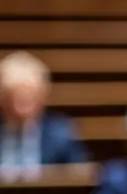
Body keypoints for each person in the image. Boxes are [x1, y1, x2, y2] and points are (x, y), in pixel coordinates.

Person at [0, 51, 88, 179]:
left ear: (42, 98)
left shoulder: (61, 133)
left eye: (29, 97)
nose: (20, 107)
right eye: (13, 97)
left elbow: (80, 178)